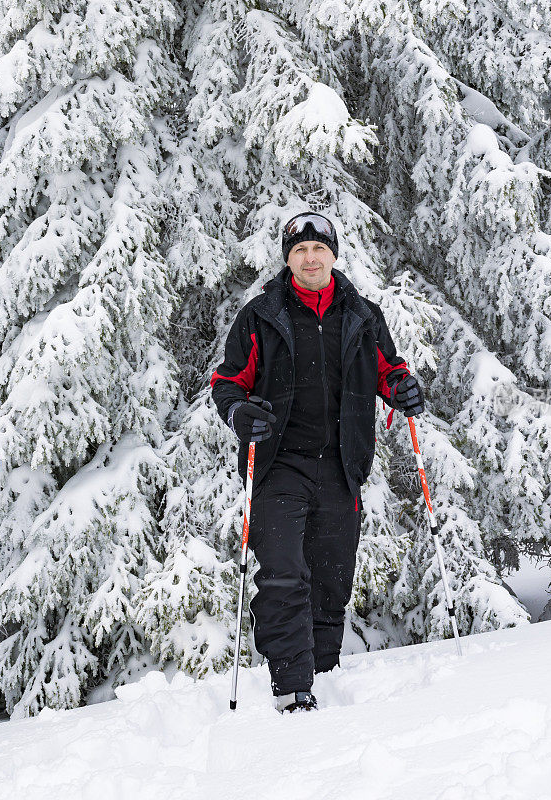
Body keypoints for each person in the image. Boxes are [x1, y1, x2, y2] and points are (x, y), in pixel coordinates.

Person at [210, 212, 424, 713]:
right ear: (288, 259)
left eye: (318, 249)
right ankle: (292, 688)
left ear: (333, 255)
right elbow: (228, 384)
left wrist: (401, 390)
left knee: (331, 578)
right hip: (277, 465)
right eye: (300, 250)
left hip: (340, 466)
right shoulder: (261, 315)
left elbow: (388, 370)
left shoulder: (363, 316)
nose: (310, 258)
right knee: (284, 573)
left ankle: (323, 672)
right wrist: (240, 412)